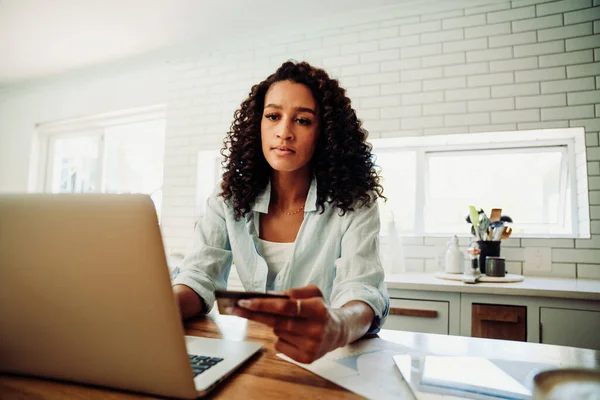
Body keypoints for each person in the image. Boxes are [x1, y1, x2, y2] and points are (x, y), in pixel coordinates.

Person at [172, 60, 389, 364]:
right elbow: (198, 276)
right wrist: (158, 307)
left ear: (324, 132)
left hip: (331, 360)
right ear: (257, 124)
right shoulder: (228, 199)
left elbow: (362, 288)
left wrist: (337, 325)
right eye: (273, 116)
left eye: (302, 120)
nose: (284, 132)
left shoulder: (355, 203)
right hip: (257, 354)